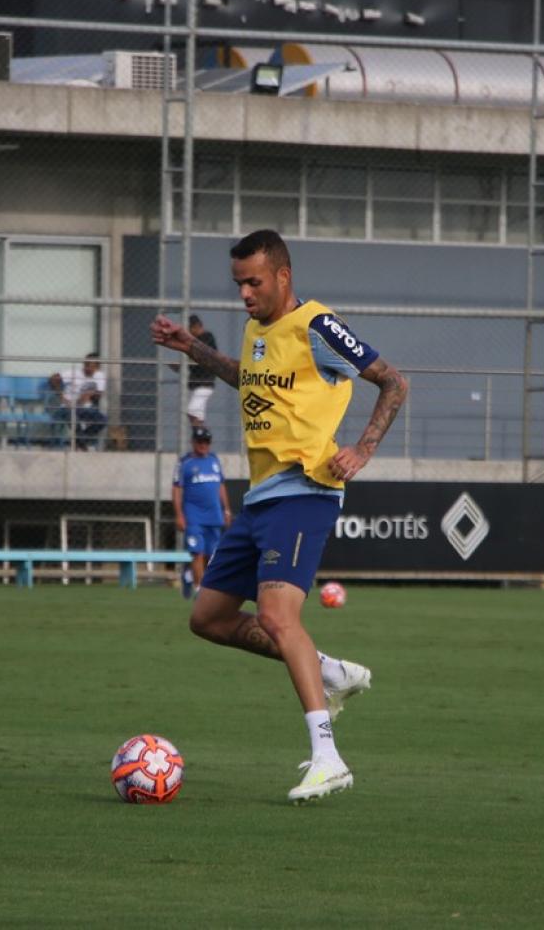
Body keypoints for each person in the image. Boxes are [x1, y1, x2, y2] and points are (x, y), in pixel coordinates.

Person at [150, 228, 409, 803]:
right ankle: (329, 671)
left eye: (254, 282)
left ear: (283, 277)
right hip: (262, 496)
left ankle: (328, 758)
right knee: (209, 618)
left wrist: (362, 450)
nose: (244, 293)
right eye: (239, 282)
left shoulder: (318, 326)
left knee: (275, 614)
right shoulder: (256, 330)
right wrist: (192, 349)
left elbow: (392, 380)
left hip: (307, 488)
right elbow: (251, 380)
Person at [172, 425, 232, 599]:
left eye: (206, 442)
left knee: (210, 555)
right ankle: (200, 591)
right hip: (194, 516)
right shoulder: (185, 463)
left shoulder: (214, 460)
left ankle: (188, 575)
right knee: (197, 552)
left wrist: (226, 509)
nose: (203, 445)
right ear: (193, 442)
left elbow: (221, 485)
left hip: (214, 516)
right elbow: (176, 489)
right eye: (199, 442)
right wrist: (179, 514)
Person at [59, 353, 107, 450]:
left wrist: (91, 394)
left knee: (102, 420)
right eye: (86, 364)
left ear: (97, 367)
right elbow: (53, 379)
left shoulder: (100, 375)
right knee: (73, 418)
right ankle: (82, 446)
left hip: (86, 408)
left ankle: (79, 442)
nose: (88, 368)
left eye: (92, 366)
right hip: (68, 407)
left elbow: (98, 396)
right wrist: (62, 397)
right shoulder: (73, 372)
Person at [184, 314, 218, 427]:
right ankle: (200, 437)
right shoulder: (193, 341)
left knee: (192, 412)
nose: (189, 331)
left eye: (190, 328)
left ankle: (199, 436)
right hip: (197, 383)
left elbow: (208, 356)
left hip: (205, 382)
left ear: (197, 326)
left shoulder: (207, 337)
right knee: (198, 415)